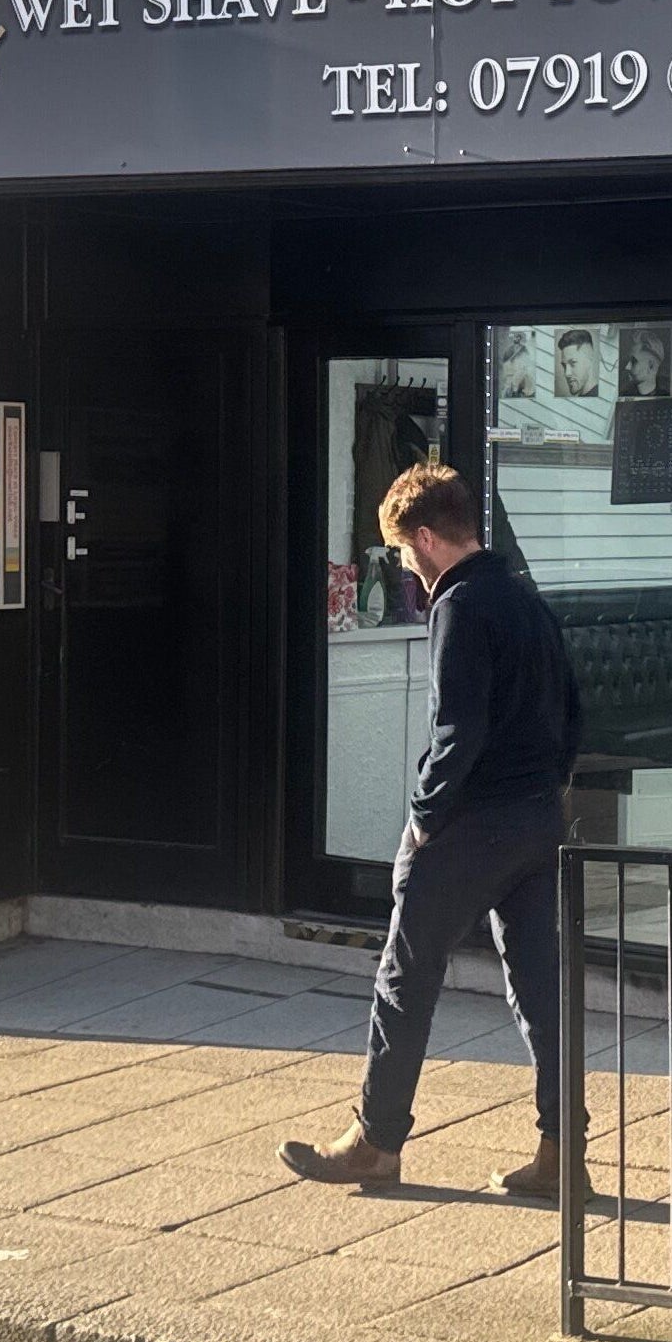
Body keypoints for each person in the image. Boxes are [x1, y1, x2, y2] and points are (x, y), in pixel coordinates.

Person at [282, 463, 583, 1199]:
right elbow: (572, 713)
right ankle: (561, 1154)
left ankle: (376, 1141)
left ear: (423, 537)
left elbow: (457, 730)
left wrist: (422, 818)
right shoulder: (525, 598)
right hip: (540, 819)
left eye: (403, 553)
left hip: (470, 825)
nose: (407, 569)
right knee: (542, 990)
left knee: (404, 978)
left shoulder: (460, 606)